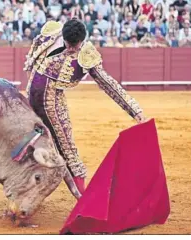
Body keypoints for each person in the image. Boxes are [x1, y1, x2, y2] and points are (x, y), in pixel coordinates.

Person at [23, 19, 146, 194]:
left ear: (83, 40)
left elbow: (108, 84)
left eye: (76, 45)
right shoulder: (51, 33)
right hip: (30, 100)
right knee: (24, 143)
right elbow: (31, 63)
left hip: (53, 106)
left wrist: (135, 111)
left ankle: (82, 199)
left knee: (67, 149)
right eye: (68, 44)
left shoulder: (86, 54)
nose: (72, 49)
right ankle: (21, 193)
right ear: (62, 37)